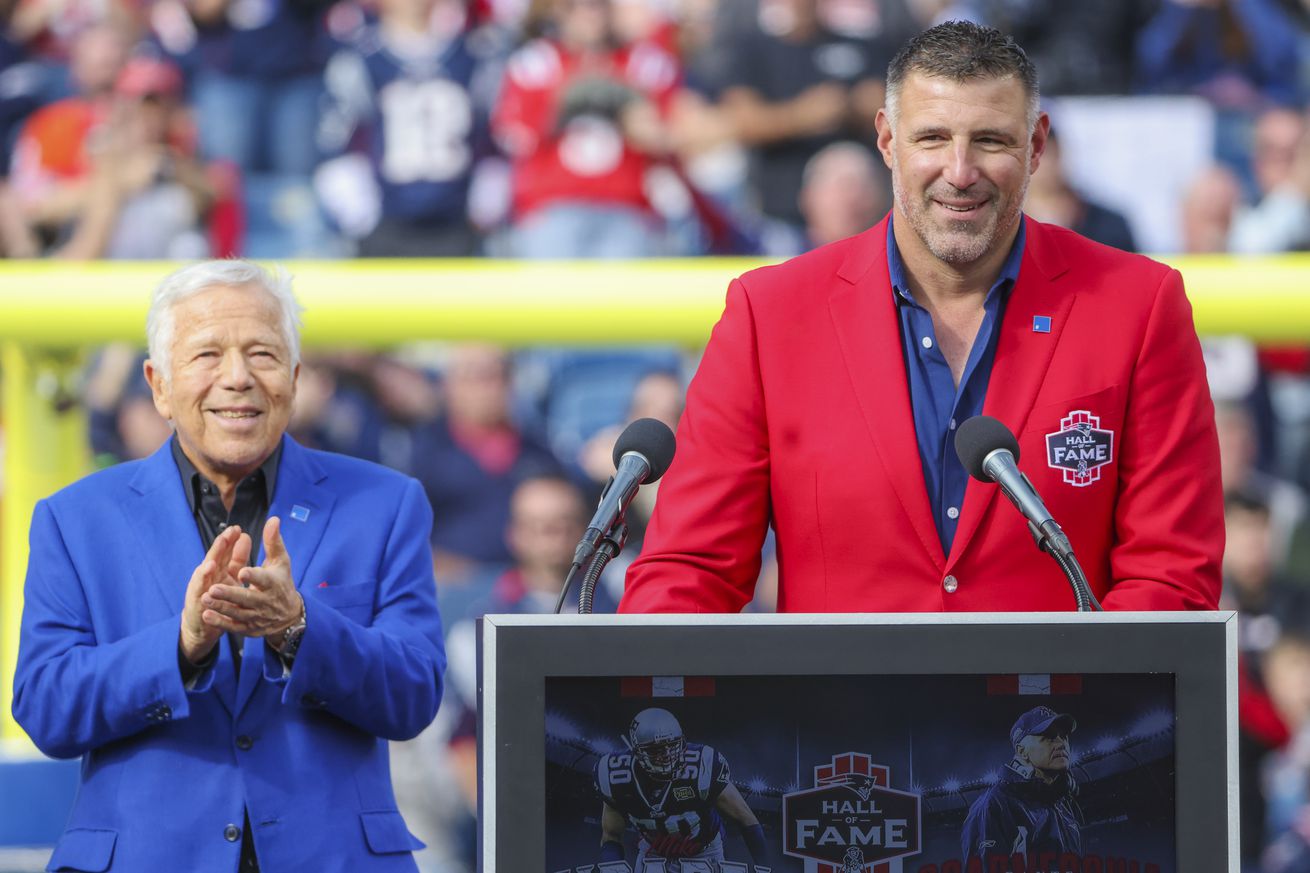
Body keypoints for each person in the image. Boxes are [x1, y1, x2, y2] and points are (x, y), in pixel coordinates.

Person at [618, 21, 1223, 614]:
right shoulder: (769, 315)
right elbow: (690, 572)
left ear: (1037, 145)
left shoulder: (1140, 305)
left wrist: (1082, 709)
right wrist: (646, 704)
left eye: (990, 140)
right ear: (886, 140)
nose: (960, 172)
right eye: (932, 138)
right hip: (841, 716)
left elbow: (1170, 574)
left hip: (1063, 715)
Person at [11, 260, 445, 872]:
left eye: (262, 354)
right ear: (158, 385)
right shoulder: (76, 518)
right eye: (207, 355)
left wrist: (298, 627)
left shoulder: (386, 503)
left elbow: (413, 695)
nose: (237, 378)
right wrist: (181, 647)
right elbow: (46, 709)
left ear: (294, 379)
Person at [594, 707, 769, 871]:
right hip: (653, 853)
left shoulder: (703, 766)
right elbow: (611, 835)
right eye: (656, 749)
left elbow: (746, 819)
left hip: (703, 852)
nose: (668, 755)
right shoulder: (615, 776)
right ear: (637, 751)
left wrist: (767, 868)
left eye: (673, 745)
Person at [961, 706, 1082, 866]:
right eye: (1049, 737)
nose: (1061, 743)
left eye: (1064, 736)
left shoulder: (1063, 805)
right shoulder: (994, 804)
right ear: (1022, 751)